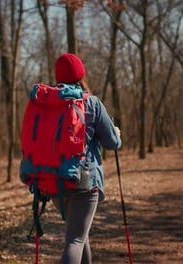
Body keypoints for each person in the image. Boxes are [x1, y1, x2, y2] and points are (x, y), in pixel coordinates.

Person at [51, 53, 121, 264]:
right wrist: (117, 133)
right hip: (83, 181)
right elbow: (112, 143)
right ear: (81, 75)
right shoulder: (91, 103)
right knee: (76, 240)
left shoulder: (49, 104)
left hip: (53, 180)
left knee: (80, 235)